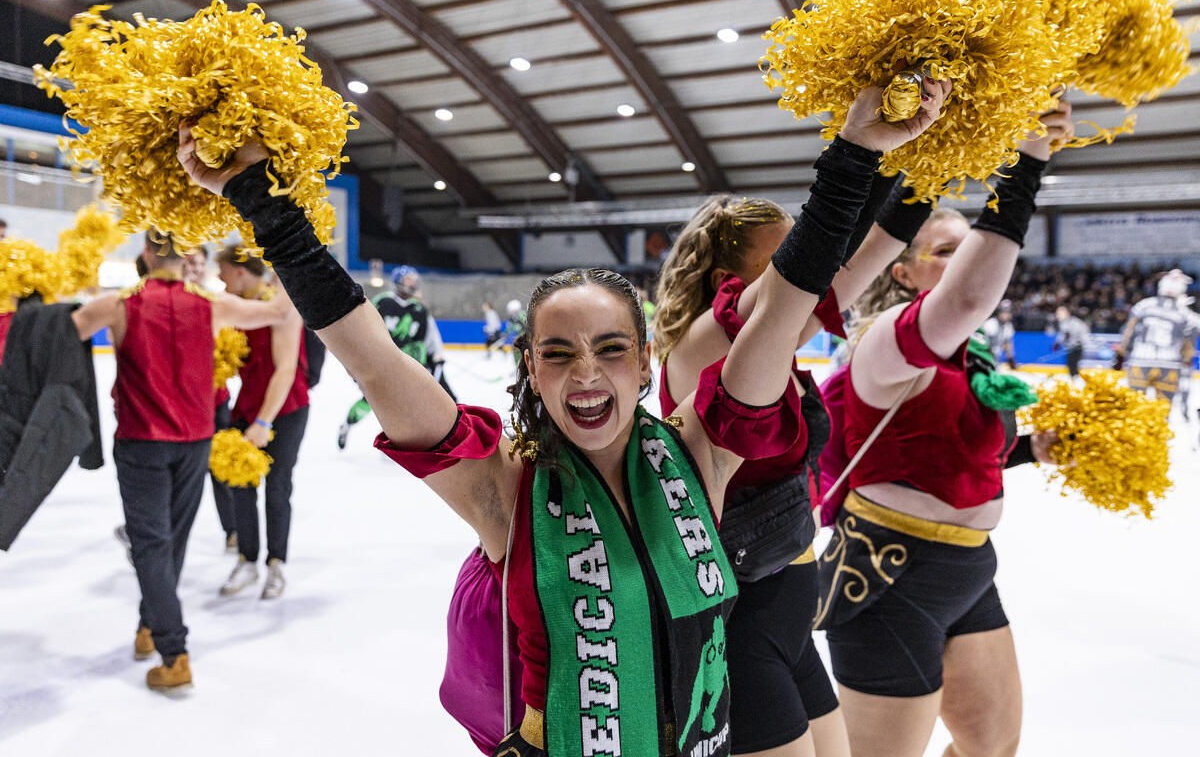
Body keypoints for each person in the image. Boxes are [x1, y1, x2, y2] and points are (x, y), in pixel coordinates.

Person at [176, 79, 945, 757]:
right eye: (557, 352)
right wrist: (265, 207)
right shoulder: (500, 485)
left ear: (646, 364)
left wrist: (858, 151)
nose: (585, 373)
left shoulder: (704, 449)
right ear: (529, 369)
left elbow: (785, 303)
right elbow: (374, 357)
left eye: (611, 349)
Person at [651, 105, 947, 756]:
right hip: (739, 623)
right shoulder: (703, 343)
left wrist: (932, 156)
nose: (813, 263)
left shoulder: (771, 334)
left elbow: (865, 253)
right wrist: (857, 150)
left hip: (789, 606)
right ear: (734, 275)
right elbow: (821, 252)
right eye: (787, 254)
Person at [814, 102, 1073, 757]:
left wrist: (1029, 450)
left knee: (991, 748)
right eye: (946, 253)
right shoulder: (881, 340)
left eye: (967, 253)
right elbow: (963, 298)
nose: (962, 266)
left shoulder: (970, 353)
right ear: (901, 272)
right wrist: (1026, 163)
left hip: (969, 571)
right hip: (886, 577)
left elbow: (946, 452)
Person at [70, 231, 290, 690]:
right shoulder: (212, 305)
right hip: (195, 440)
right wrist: (286, 254)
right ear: (186, 257)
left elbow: (60, 333)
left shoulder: (117, 304)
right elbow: (275, 311)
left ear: (148, 254)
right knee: (172, 538)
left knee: (150, 542)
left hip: (141, 440)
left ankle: (174, 653)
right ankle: (150, 626)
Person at [214, 245, 309, 599]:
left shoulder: (280, 305)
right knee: (239, 485)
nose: (220, 281)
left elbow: (285, 371)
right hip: (247, 406)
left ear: (240, 272)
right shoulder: (237, 308)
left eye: (223, 272)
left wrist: (264, 423)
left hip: (286, 408)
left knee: (277, 485)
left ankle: (276, 564)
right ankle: (247, 560)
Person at [337, 265, 447, 448]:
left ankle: (397, 440)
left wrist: (437, 355)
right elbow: (364, 331)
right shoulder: (381, 303)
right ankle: (348, 424)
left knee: (408, 406)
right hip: (382, 366)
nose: (412, 284)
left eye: (414, 280)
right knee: (371, 401)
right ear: (397, 281)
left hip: (410, 369)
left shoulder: (419, 310)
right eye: (408, 280)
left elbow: (432, 338)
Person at [1116, 269, 1199, 406]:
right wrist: (1186, 360)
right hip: (1170, 363)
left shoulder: (1144, 305)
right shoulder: (1184, 312)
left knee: (1134, 405)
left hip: (1140, 360)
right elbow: (1189, 343)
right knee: (1163, 409)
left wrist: (1124, 350)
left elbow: (1129, 330)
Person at [1051, 304, 1090, 379]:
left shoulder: (1074, 322)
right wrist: (1057, 343)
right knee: (1070, 365)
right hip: (1070, 347)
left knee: (1073, 365)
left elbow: (1082, 333)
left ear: (1067, 313)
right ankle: (1074, 378)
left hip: (1076, 347)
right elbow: (1063, 335)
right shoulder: (1064, 323)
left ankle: (1076, 380)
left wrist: (1058, 342)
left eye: (1059, 313)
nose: (1057, 315)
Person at [982, 300, 1017, 369]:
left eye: (1008, 312)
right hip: (984, 357)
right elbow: (982, 343)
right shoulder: (990, 324)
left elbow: (1007, 344)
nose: (1005, 315)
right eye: (1003, 312)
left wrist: (1010, 358)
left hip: (996, 360)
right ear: (998, 312)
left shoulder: (1009, 327)